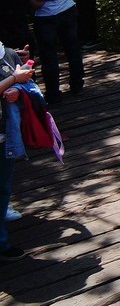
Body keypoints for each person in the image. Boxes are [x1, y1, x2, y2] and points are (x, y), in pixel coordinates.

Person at [0, 41, 34, 262]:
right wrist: (14, 79)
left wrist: (18, 89)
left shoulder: (6, 53)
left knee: (3, 187)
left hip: (5, 135)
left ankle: (2, 242)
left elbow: (29, 87)